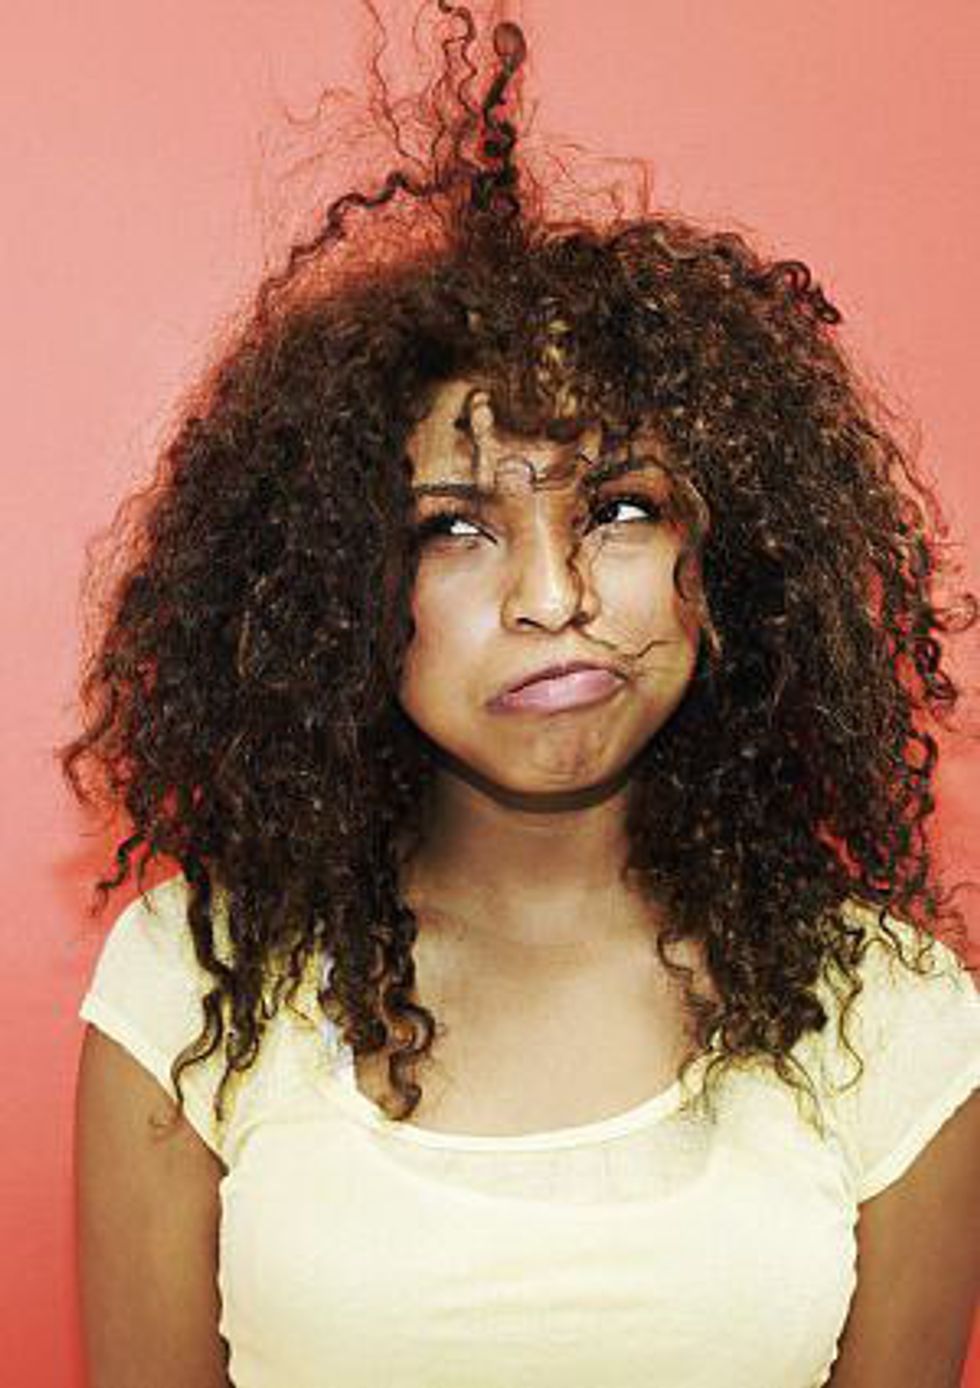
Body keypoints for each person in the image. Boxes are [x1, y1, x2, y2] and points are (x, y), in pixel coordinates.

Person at [64, 4, 980, 1386]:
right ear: (331, 590)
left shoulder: (891, 1017)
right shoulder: (196, 982)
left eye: (620, 510)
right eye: (455, 528)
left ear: (729, 552)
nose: (552, 597)